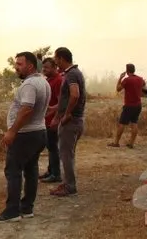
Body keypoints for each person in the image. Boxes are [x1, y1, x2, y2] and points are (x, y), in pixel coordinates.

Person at [0, 51, 51, 223]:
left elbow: (27, 108)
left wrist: (12, 131)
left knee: (13, 171)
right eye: (16, 64)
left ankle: (12, 212)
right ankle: (27, 208)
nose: (16, 67)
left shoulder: (29, 85)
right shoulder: (43, 81)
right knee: (31, 169)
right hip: (39, 132)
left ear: (30, 66)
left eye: (20, 64)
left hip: (25, 135)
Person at [50, 47, 86, 197]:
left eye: (56, 58)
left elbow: (75, 95)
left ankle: (70, 186)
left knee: (66, 155)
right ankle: (67, 183)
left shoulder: (71, 74)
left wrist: (67, 114)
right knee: (68, 154)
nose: (55, 62)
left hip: (71, 122)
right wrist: (54, 109)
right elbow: (69, 98)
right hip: (76, 120)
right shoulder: (75, 73)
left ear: (61, 59)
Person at [108, 63, 147, 149]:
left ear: (127, 71)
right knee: (134, 123)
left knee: (122, 123)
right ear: (134, 70)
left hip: (129, 105)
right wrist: (139, 92)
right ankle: (131, 143)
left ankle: (116, 143)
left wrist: (120, 77)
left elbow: (118, 89)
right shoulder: (140, 79)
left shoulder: (127, 80)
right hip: (138, 105)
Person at [39, 57, 64, 183]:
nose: (44, 70)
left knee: (53, 147)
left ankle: (56, 174)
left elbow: (62, 102)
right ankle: (50, 171)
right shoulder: (49, 79)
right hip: (47, 119)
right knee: (50, 146)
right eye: (43, 67)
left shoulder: (59, 80)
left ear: (55, 67)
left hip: (53, 120)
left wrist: (53, 114)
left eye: (47, 67)